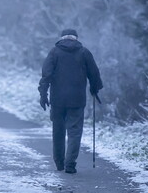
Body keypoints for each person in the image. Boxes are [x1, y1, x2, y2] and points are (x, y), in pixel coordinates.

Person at [38, 28, 103, 174]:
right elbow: (94, 74)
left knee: (58, 131)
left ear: (62, 38)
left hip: (57, 100)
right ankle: (70, 164)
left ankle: (59, 163)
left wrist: (43, 95)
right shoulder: (84, 52)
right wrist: (95, 88)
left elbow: (46, 75)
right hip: (77, 100)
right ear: (76, 38)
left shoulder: (54, 52)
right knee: (74, 132)